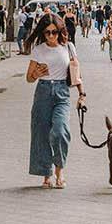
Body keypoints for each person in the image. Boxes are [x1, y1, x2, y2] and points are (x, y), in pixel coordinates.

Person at [24, 12, 85, 189]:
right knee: (41, 134)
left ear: (60, 31)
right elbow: (29, 78)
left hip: (62, 93)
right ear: (43, 33)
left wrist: (82, 95)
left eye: (54, 32)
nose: (51, 36)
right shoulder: (38, 50)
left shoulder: (69, 48)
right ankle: (46, 174)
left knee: (60, 131)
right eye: (47, 32)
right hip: (42, 91)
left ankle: (59, 170)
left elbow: (77, 74)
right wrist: (37, 74)